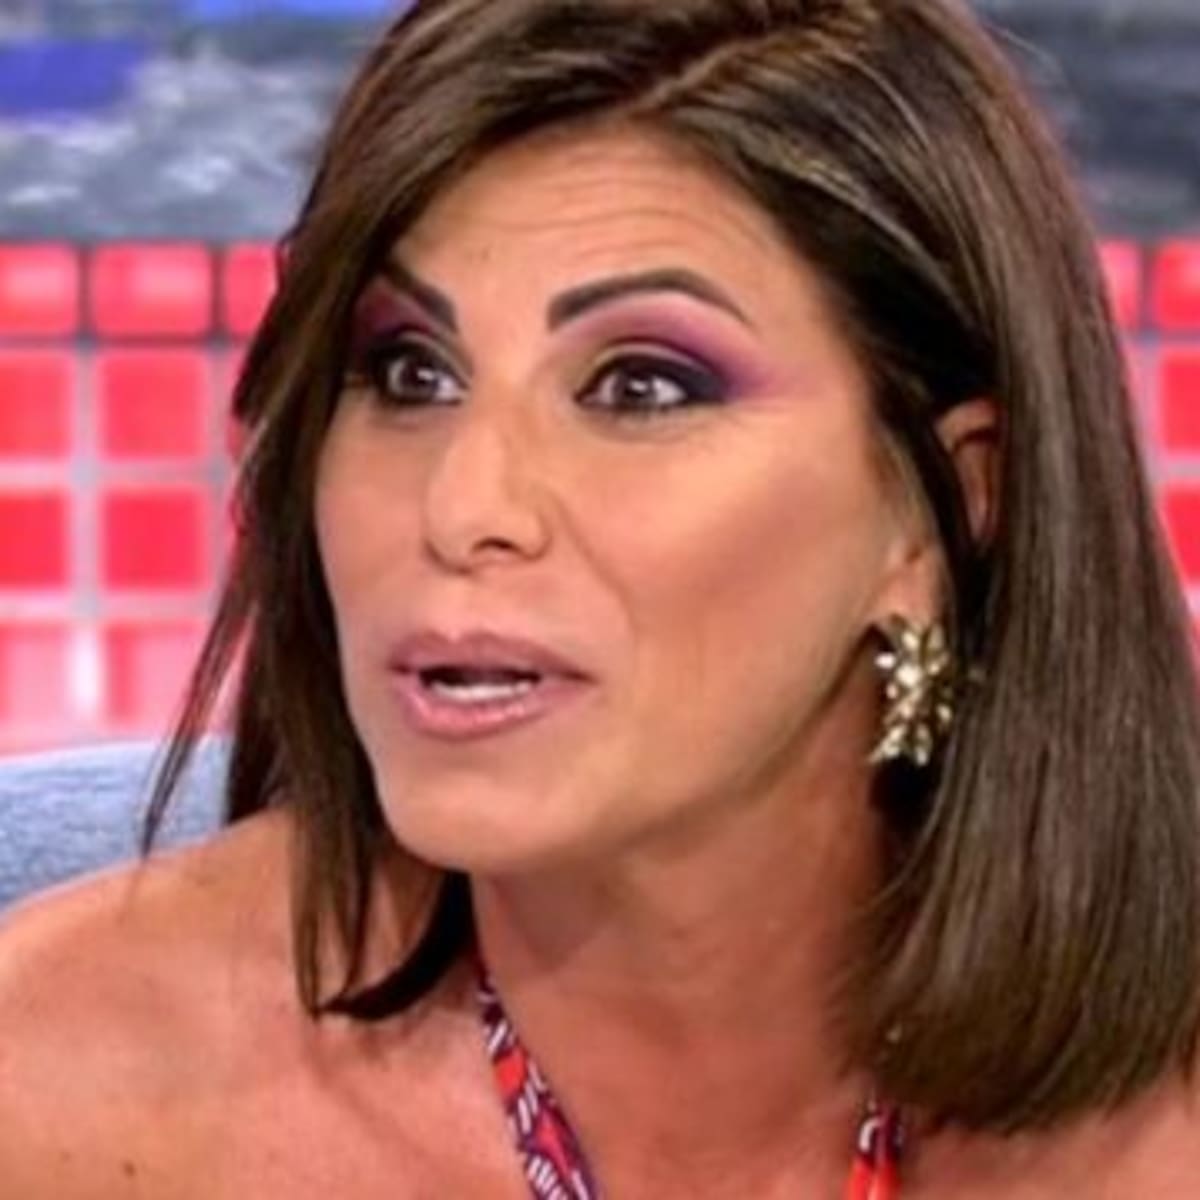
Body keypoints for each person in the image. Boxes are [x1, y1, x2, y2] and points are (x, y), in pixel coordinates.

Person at [2, 0, 1200, 1195]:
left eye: (640, 388)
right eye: (410, 373)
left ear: (944, 510)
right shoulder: (61, 1105)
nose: (463, 505)